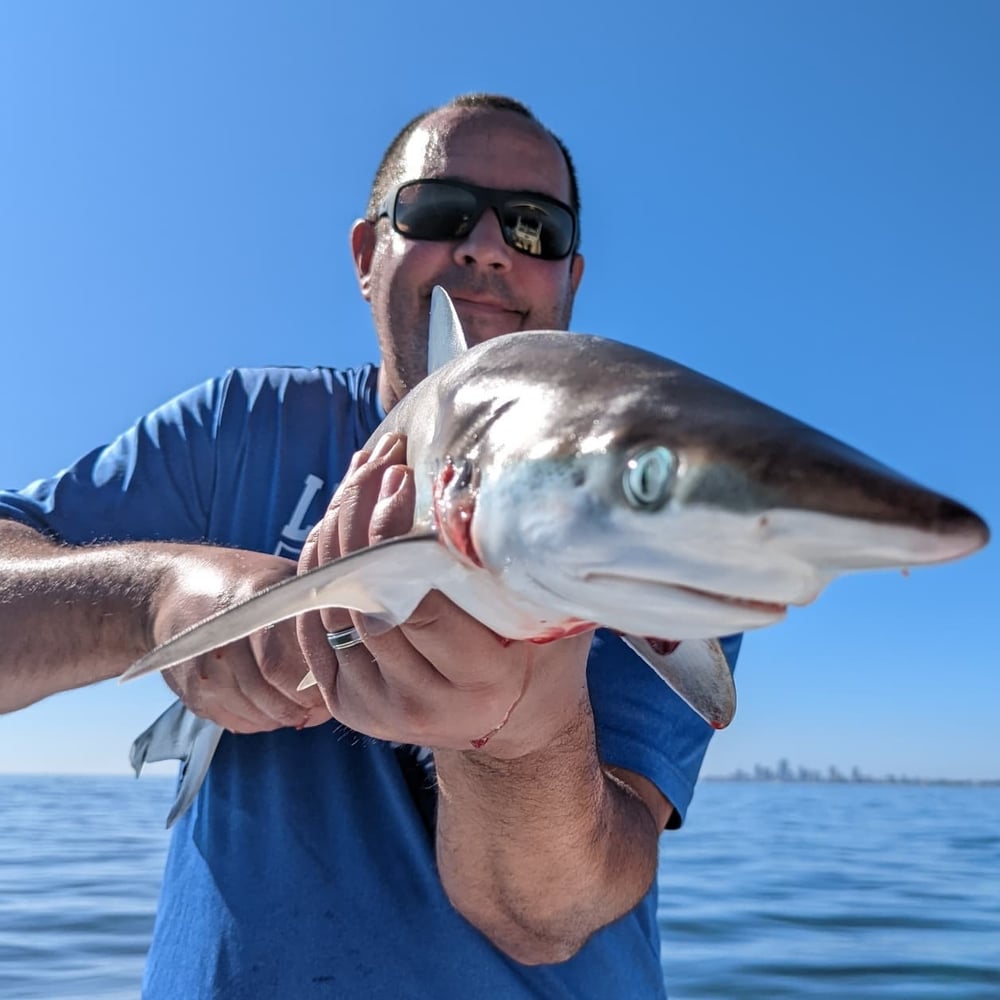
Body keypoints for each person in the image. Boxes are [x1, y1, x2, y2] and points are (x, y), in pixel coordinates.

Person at [0, 94, 739, 998]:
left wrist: (517, 735)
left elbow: (550, 916)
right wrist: (152, 600)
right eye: (437, 212)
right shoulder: (239, 430)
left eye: (533, 227)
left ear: (570, 279)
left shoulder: (647, 503)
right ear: (365, 254)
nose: (487, 246)